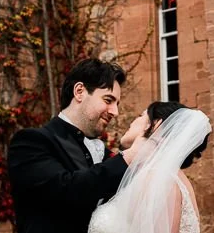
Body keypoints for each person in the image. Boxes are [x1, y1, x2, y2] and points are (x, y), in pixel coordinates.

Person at [8, 59, 148, 233]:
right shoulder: (31, 142)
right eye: (108, 100)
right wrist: (128, 157)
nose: (115, 112)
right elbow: (66, 191)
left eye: (117, 104)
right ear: (79, 91)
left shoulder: (106, 156)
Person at [87, 101, 212, 233]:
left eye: (141, 116)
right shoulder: (166, 176)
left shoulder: (159, 178)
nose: (133, 122)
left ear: (155, 125)